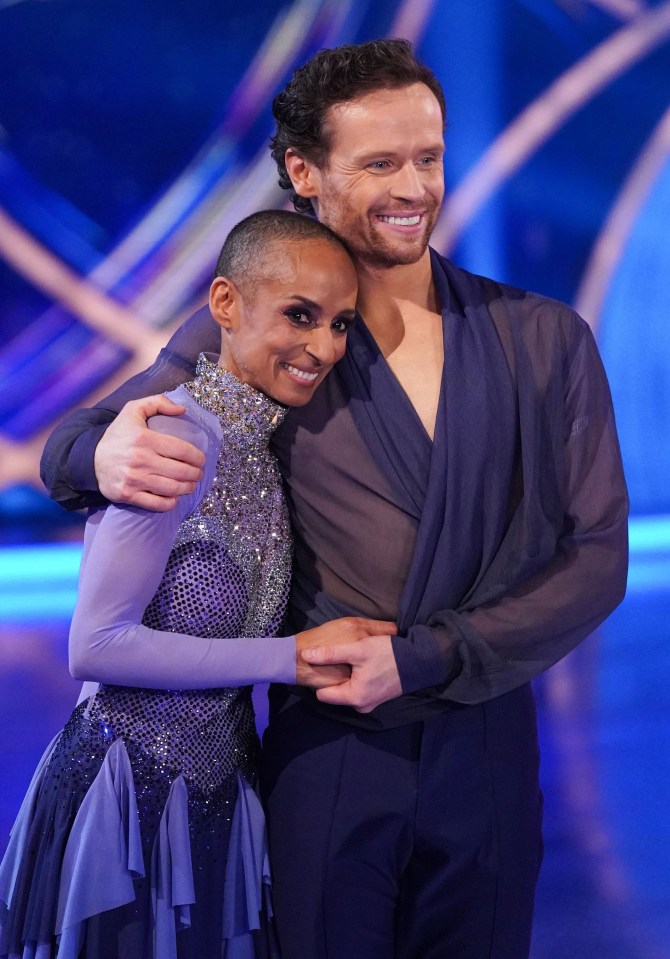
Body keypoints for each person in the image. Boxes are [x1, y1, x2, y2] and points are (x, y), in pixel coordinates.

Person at [38, 39, 629, 959]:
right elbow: (82, 438)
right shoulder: (263, 331)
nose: (415, 186)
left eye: (428, 157)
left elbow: (595, 558)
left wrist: (430, 655)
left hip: (488, 743)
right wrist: (99, 454)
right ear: (304, 173)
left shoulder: (543, 337)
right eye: (381, 162)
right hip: (329, 753)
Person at [0, 209, 396, 959]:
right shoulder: (173, 436)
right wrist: (291, 656)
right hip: (122, 814)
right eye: (299, 316)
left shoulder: (264, 448)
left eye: (340, 324)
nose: (323, 346)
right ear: (224, 304)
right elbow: (97, 645)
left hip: (222, 802)